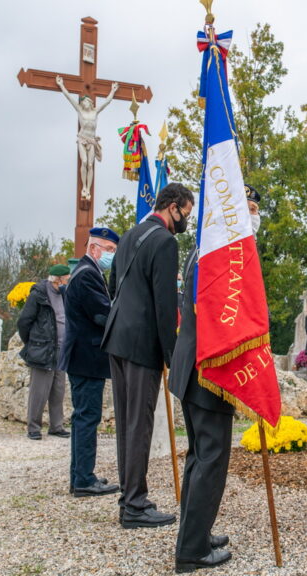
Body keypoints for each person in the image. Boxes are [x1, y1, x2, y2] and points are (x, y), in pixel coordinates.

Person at [102, 182, 194, 529]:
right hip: (141, 344)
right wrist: (172, 354)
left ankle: (129, 497)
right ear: (172, 207)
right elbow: (164, 303)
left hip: (118, 337)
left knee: (127, 423)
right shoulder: (165, 240)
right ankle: (135, 505)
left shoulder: (129, 235)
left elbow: (114, 286)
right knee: (139, 425)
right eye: (185, 213)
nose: (185, 220)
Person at [169, 247, 234, 573]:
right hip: (209, 369)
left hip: (192, 365)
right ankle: (192, 551)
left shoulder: (203, 246)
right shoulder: (224, 251)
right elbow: (225, 314)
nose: (252, 215)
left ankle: (194, 535)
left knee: (199, 457)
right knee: (211, 460)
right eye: (246, 207)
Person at [60, 228, 121, 497]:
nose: (111, 256)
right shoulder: (87, 275)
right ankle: (84, 479)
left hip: (83, 357)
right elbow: (102, 314)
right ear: (94, 248)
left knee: (82, 418)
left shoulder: (87, 272)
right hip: (86, 357)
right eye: (109, 250)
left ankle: (80, 476)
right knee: (87, 418)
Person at [18, 264, 71, 440]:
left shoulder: (63, 294)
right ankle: (33, 428)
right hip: (43, 349)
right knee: (39, 391)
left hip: (61, 350)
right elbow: (24, 322)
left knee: (58, 390)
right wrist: (33, 343)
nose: (68, 281)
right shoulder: (38, 295)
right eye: (66, 279)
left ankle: (56, 426)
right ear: (58, 280)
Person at [56, 76, 118, 201]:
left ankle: (88, 189)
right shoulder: (80, 110)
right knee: (84, 162)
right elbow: (69, 98)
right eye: (83, 102)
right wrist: (61, 85)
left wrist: (113, 90)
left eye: (85, 102)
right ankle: (83, 186)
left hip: (92, 141)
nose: (83, 103)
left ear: (90, 102)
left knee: (90, 164)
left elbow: (106, 102)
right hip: (82, 139)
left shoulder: (95, 111)